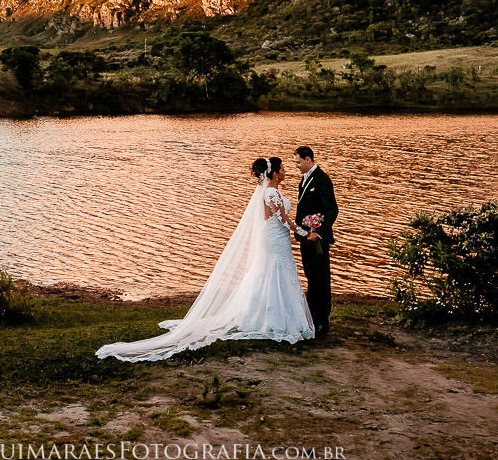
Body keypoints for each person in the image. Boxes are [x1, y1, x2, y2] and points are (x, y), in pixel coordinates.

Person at [96, 157, 314, 362]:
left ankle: (267, 314)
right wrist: (306, 233)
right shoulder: (271, 194)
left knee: (271, 274)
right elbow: (283, 220)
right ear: (274, 174)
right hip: (276, 238)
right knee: (276, 273)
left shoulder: (269, 191)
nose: (286, 171)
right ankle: (275, 319)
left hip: (276, 238)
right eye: (283, 169)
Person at [291, 146, 338, 337]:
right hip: (306, 237)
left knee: (320, 278)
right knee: (311, 276)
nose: (296, 165)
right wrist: (302, 232)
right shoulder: (305, 180)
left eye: (298, 162)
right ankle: (312, 318)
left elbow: (332, 210)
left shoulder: (321, 179)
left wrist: (318, 232)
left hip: (317, 238)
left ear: (308, 159)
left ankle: (321, 321)